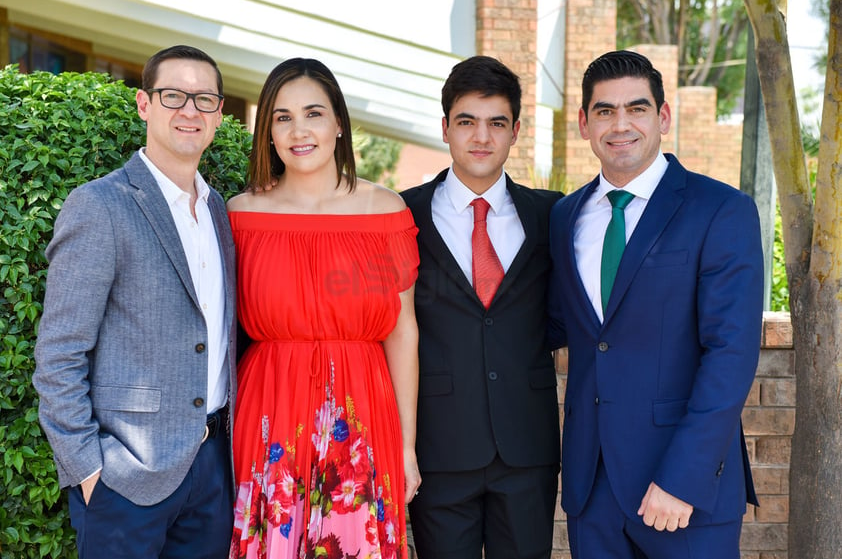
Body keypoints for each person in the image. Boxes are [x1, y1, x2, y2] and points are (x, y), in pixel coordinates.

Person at [547, 49, 763, 559]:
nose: (620, 124)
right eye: (604, 111)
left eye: (636, 108)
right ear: (584, 123)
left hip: (684, 490)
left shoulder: (721, 211)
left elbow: (730, 354)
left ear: (663, 117)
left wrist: (683, 478)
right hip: (591, 488)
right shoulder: (564, 217)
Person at [33, 45, 237, 558]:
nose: (190, 110)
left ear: (218, 114)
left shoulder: (221, 212)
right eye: (174, 96)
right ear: (145, 104)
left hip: (213, 470)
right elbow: (59, 352)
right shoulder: (101, 205)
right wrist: (89, 470)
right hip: (125, 478)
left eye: (204, 99)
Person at [226, 57, 421, 559]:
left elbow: (403, 333)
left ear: (338, 122)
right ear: (267, 131)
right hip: (269, 407)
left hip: (362, 414)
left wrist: (406, 448)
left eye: (313, 113)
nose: (299, 131)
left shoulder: (386, 212)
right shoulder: (240, 215)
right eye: (282, 117)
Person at [401, 56, 562, 559]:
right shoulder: (401, 213)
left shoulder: (552, 213)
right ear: (445, 127)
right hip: (439, 447)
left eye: (497, 123)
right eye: (467, 121)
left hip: (527, 446)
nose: (481, 137)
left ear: (516, 131)